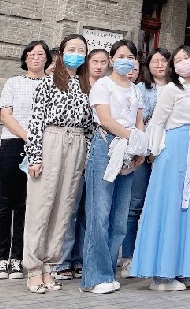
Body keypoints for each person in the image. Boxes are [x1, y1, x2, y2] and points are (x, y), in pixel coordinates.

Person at [130, 47, 190, 290]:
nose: (183, 62)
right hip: (175, 148)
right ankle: (161, 274)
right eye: (177, 60)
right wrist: (154, 152)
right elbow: (157, 122)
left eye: (186, 58)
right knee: (169, 206)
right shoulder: (170, 89)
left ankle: (182, 268)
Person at [21, 34, 95, 293]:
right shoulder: (48, 82)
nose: (76, 54)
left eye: (81, 50)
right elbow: (36, 121)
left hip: (77, 143)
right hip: (51, 140)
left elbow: (89, 127)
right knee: (41, 207)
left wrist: (86, 158)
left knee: (64, 208)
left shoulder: (87, 85)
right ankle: (33, 268)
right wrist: (35, 156)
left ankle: (50, 266)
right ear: (62, 53)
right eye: (71, 49)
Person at [81, 39, 146, 294]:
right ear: (111, 59)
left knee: (119, 219)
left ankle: (107, 272)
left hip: (128, 154)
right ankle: (93, 278)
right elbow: (106, 119)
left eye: (130, 57)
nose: (125, 61)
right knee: (99, 214)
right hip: (105, 147)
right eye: (120, 56)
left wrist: (139, 147)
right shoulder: (103, 85)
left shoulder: (136, 89)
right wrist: (133, 139)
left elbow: (139, 120)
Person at [0, 41, 51, 280]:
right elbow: (6, 115)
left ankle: (17, 258)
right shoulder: (13, 83)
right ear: (25, 58)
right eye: (31, 54)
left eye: (40, 54)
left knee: (25, 205)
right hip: (13, 144)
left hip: (42, 149)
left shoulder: (52, 85)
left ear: (47, 59)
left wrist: (37, 142)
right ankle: (0, 259)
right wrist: (28, 136)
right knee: (5, 203)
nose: (36, 58)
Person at [53, 47, 109, 281]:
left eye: (103, 62)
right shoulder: (79, 85)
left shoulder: (107, 87)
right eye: (94, 61)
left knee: (89, 211)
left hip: (100, 154)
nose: (99, 66)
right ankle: (62, 260)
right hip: (77, 153)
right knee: (71, 208)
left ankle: (81, 259)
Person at [121, 48, 171, 277]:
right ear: (148, 66)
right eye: (155, 61)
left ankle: (157, 256)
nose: (159, 65)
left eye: (164, 61)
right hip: (142, 153)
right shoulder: (140, 88)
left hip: (167, 153)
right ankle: (128, 257)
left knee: (162, 206)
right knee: (134, 206)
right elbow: (137, 119)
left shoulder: (177, 88)